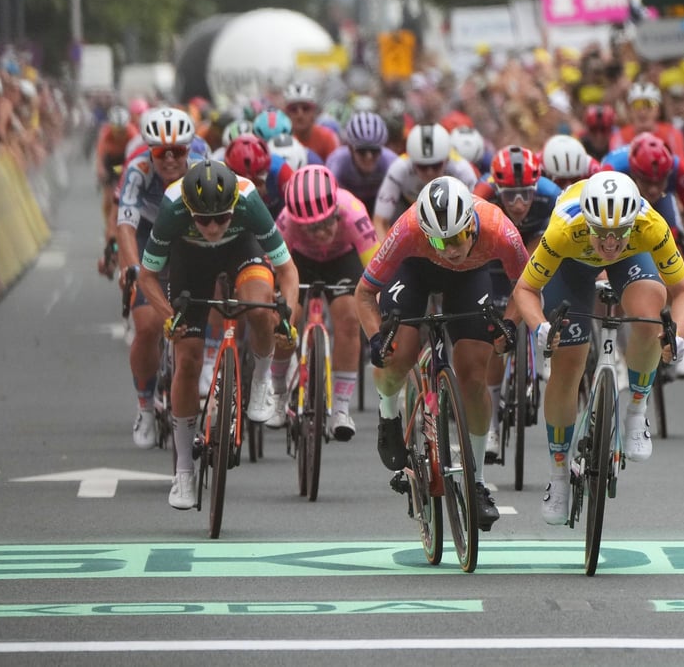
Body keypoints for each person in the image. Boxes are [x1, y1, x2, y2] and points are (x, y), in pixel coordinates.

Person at [509, 171, 684, 526]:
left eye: (619, 233)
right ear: (587, 222)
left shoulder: (650, 225)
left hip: (632, 261)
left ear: (633, 222)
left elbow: (683, 290)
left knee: (649, 319)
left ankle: (637, 410)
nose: (610, 243)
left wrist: (679, 336)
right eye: (602, 233)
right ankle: (559, 473)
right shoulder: (563, 230)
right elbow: (525, 290)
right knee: (566, 368)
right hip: (571, 267)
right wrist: (541, 328)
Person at [356, 175, 529, 532]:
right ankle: (389, 415)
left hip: (470, 278)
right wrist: (376, 339)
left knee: (473, 376)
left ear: (470, 225)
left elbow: (526, 287)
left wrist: (509, 325)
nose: (449, 248)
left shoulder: (499, 228)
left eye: (457, 237)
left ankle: (477, 481)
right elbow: (363, 294)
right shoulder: (407, 230)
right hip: (414, 272)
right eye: (438, 239)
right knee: (397, 355)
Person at [138, 160, 300, 509]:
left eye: (221, 218)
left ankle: (260, 382)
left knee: (260, 310)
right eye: (203, 220)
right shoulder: (173, 205)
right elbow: (147, 277)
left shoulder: (248, 200)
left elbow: (287, 271)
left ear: (233, 209)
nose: (212, 227)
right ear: (190, 211)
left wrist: (286, 316)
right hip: (189, 260)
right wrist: (169, 318)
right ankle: (183, 472)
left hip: (241, 250)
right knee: (189, 356)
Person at [265, 165, 379, 438]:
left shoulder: (353, 210)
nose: (320, 232)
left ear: (336, 210)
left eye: (327, 223)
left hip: (342, 260)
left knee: (350, 319)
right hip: (300, 262)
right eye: (311, 227)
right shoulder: (286, 221)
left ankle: (340, 408)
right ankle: (279, 393)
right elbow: (272, 273)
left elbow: (377, 269)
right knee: (284, 321)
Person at [114, 106, 202, 449]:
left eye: (177, 151)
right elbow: (125, 224)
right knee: (149, 325)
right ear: (149, 151)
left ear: (190, 149)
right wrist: (133, 269)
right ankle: (145, 407)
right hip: (148, 234)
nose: (168, 160)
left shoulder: (202, 166)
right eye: (160, 153)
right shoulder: (137, 169)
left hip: (188, 230)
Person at [473, 145, 562, 460]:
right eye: (511, 195)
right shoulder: (481, 194)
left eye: (526, 194)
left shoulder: (552, 195)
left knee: (540, 269)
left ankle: (543, 344)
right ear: (497, 189)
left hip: (537, 247)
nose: (520, 203)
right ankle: (493, 422)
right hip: (496, 251)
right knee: (497, 334)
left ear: (536, 186)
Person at [603, 132, 684, 377]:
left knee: (678, 255)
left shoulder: (679, 170)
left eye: (659, 182)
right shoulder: (611, 168)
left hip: (661, 206)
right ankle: (612, 344)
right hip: (619, 202)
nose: (652, 188)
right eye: (646, 181)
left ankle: (679, 335)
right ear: (633, 172)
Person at [372, 123, 478, 239]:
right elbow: (380, 221)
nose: (430, 172)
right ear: (412, 161)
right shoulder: (399, 168)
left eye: (436, 165)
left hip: (448, 213)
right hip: (408, 210)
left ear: (446, 160)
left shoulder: (462, 170)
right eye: (422, 166)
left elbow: (476, 217)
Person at [325, 110, 398, 216]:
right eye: (362, 151)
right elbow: (329, 199)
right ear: (350, 149)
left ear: (382, 148)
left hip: (379, 203)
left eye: (374, 151)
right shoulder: (337, 161)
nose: (369, 156)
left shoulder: (391, 161)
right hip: (347, 204)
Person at [95, 105, 137, 276]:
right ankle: (110, 224)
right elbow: (99, 157)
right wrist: (101, 172)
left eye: (122, 131)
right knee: (108, 198)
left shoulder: (131, 132)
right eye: (116, 131)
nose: (120, 134)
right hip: (111, 161)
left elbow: (134, 158)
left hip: (126, 159)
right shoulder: (106, 133)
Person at [223, 133, 293, 217]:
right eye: (244, 182)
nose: (253, 188)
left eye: (257, 181)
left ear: (268, 169)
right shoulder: (221, 174)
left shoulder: (281, 170)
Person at [284, 81, 340, 160]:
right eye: (293, 109)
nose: (300, 115)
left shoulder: (328, 138)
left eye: (305, 108)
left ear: (314, 112)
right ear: (287, 114)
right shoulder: (282, 141)